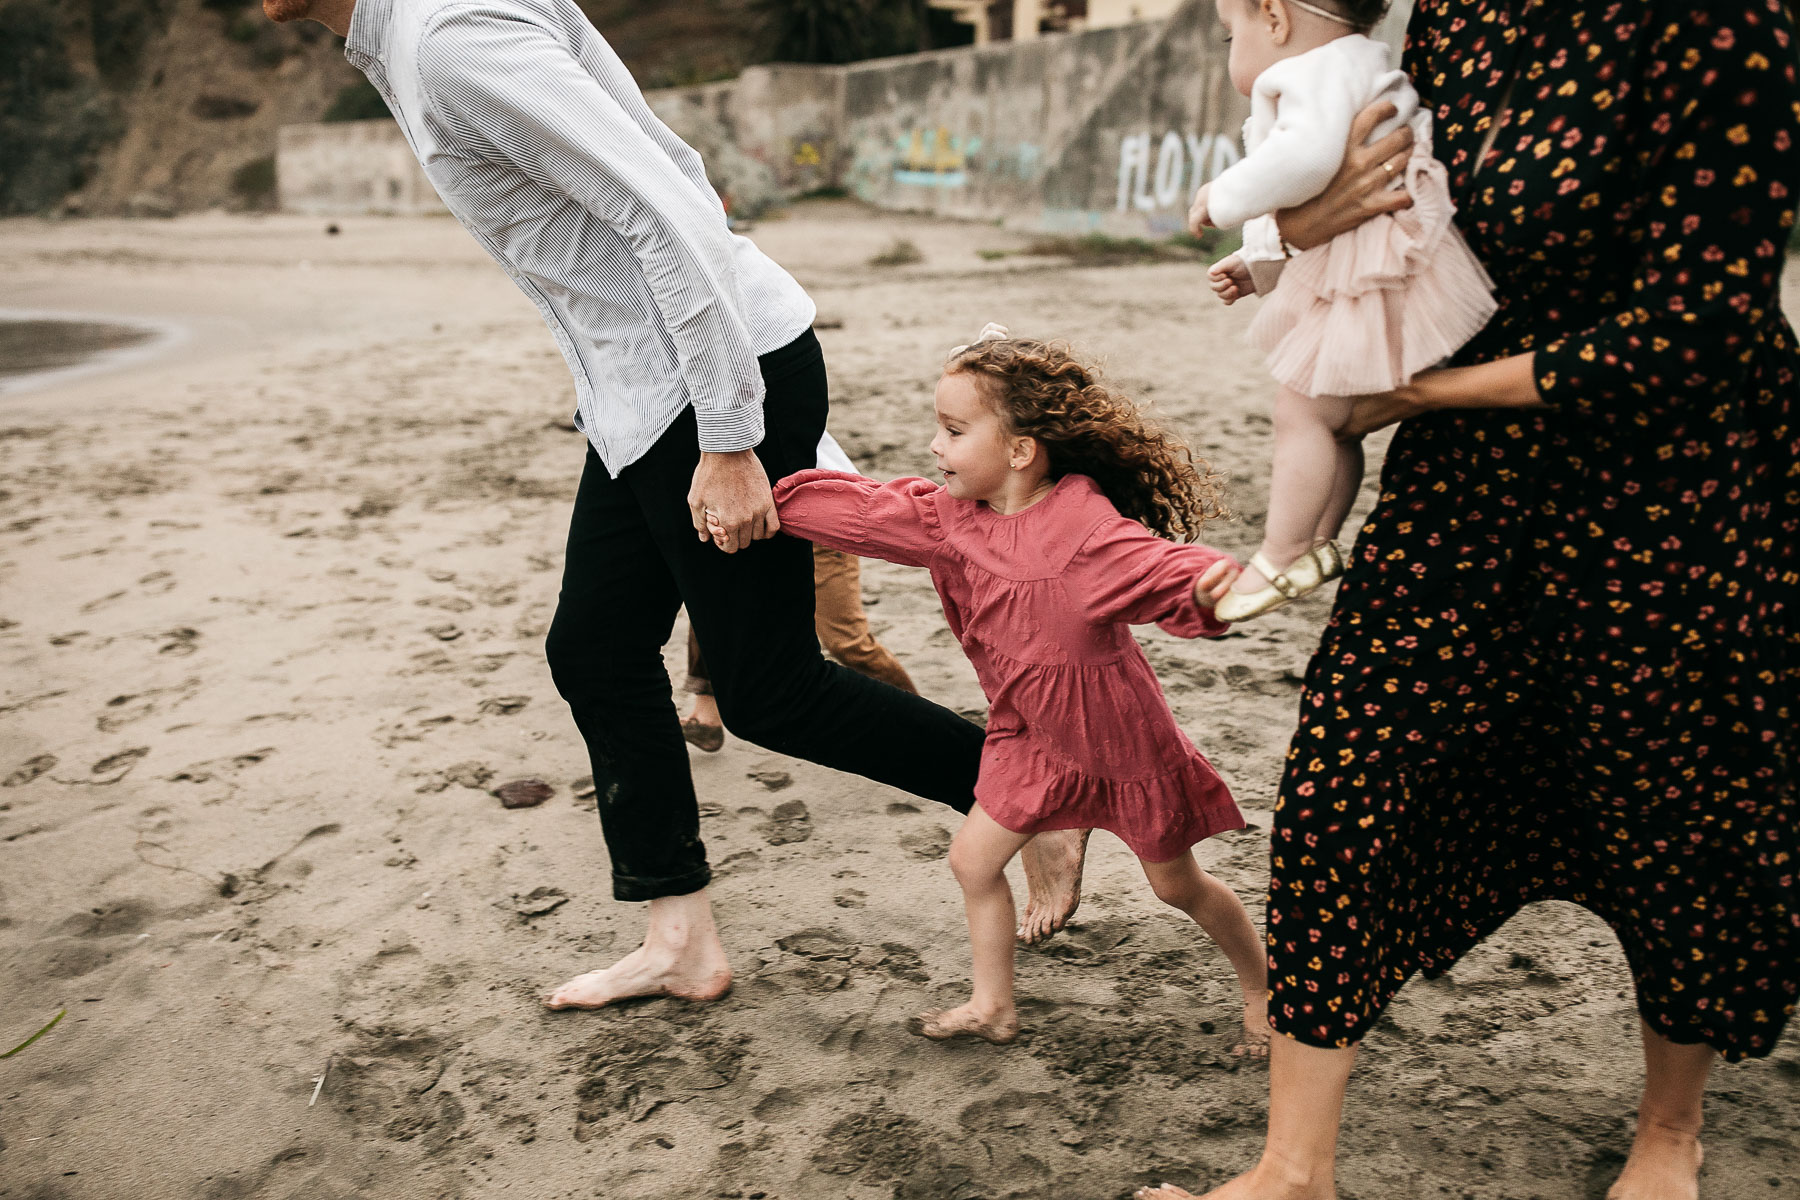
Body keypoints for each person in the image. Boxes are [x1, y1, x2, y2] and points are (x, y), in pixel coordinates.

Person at [261, 0, 1092, 1009]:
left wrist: (729, 434)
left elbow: (663, 207)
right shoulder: (421, 34)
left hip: (702, 390)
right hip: (643, 394)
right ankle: (681, 939)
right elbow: (664, 173)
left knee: (770, 690)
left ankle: (1031, 800)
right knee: (595, 649)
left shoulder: (448, 41)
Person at [1137, 2, 1799, 1198]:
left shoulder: (1720, 21)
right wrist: (1299, 227)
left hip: (1670, 486)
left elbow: (1705, 326)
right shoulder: (1460, 13)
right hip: (1472, 478)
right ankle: (1292, 1170)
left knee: (1667, 813)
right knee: (1347, 781)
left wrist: (1415, 397)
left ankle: (1671, 1129)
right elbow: (1388, 182)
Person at [747, 336, 1271, 1052]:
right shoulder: (955, 519)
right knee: (972, 861)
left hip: (1118, 742)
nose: (935, 447)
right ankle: (992, 1004)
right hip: (1029, 737)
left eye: (954, 431)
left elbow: (1158, 568)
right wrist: (775, 503)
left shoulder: (1085, 531)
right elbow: (871, 514)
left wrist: (1212, 586)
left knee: (1177, 887)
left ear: (1021, 450)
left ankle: (1261, 987)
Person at [1193, 0, 1494, 622]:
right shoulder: (1362, 61)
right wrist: (1261, 261)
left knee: (1300, 411)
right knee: (1332, 421)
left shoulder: (1312, 70)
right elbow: (1332, 208)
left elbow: (1305, 163)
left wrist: (1219, 198)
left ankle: (1281, 556)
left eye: (1229, 35)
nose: (1231, 51)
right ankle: (1316, 544)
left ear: (1274, 17)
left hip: (1372, 273)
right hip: (1383, 258)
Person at [682, 432, 916, 754]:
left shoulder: (761, 410)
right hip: (753, 521)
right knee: (712, 608)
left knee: (846, 641)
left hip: (820, 523)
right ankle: (706, 715)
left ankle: (915, 720)